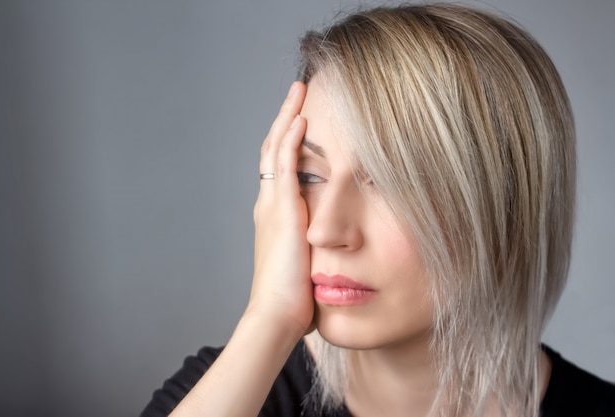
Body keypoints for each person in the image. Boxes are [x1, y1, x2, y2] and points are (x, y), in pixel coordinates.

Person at [141, 4, 615, 417]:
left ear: (503, 205)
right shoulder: (230, 390)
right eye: (308, 175)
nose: (323, 231)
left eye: (393, 182)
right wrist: (269, 319)